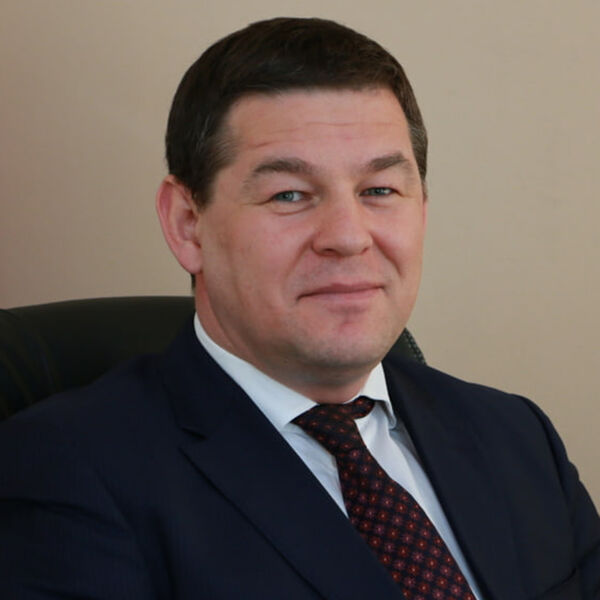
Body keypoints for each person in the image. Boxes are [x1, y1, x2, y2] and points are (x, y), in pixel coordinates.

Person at [0, 16, 598, 600]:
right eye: (289, 194)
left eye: (380, 190)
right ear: (187, 224)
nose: (349, 236)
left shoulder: (517, 437)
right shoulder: (65, 472)